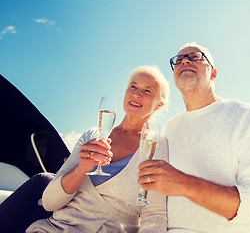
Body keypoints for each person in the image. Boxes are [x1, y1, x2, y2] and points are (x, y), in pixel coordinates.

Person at [138, 42, 250, 232]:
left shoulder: (245, 116)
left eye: (195, 56)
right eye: (178, 60)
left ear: (213, 73)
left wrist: (184, 184)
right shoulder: (171, 127)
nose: (185, 61)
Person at [25, 65, 170, 233]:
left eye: (148, 91)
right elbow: (50, 203)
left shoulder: (156, 146)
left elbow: (154, 213)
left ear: (159, 105)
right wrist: (81, 169)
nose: (137, 94)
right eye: (133, 86)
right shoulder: (92, 135)